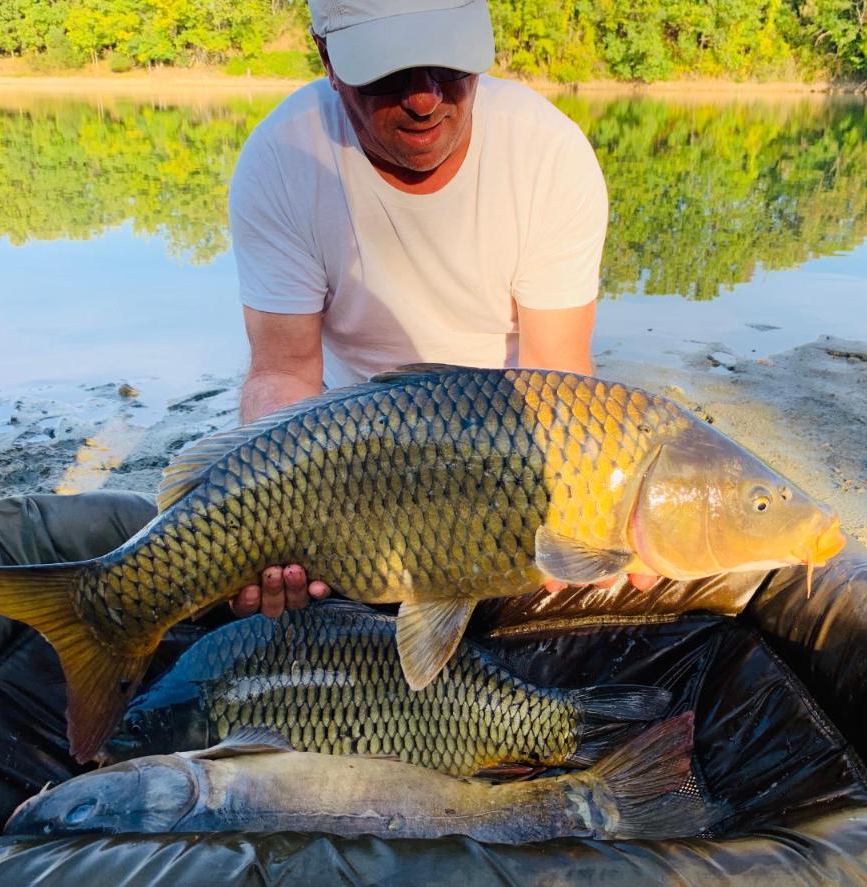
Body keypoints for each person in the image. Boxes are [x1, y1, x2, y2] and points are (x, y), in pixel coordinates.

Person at [227, 0, 641, 618]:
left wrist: (581, 523)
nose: (425, 99)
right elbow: (283, 373)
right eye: (390, 73)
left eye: (448, 65)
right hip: (345, 448)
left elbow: (558, 373)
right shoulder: (283, 159)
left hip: (510, 445)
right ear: (328, 59)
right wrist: (268, 511)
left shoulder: (547, 152)